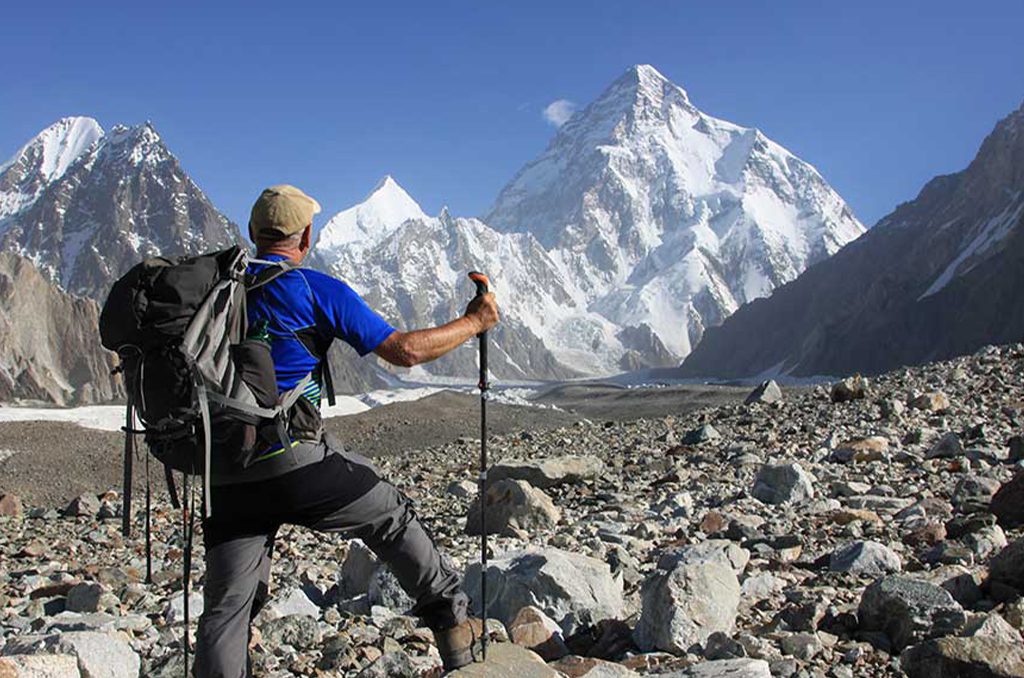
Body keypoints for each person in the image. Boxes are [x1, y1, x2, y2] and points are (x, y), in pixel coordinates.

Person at [195, 185, 499, 676]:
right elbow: (404, 351)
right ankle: (454, 633)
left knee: (227, 610)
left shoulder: (211, 292)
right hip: (296, 466)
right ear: (306, 237)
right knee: (391, 515)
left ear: (252, 232)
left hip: (225, 476)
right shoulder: (313, 289)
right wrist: (474, 322)